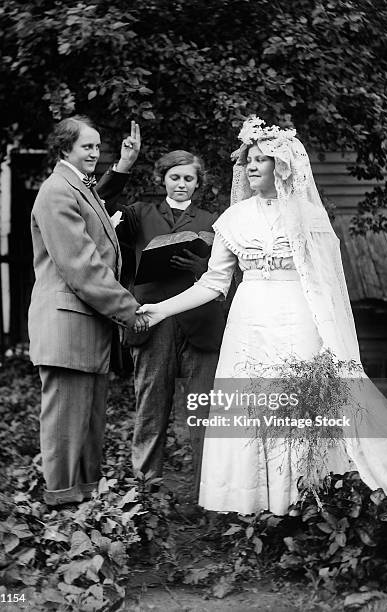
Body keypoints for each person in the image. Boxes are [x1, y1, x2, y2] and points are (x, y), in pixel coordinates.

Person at [136, 116, 387, 516]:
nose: (251, 166)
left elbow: (328, 285)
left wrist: (332, 337)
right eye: (248, 160)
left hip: (299, 317)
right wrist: (159, 310)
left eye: (261, 159)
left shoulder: (309, 219)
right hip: (249, 320)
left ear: (282, 165)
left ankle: (305, 500)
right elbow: (213, 283)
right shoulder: (233, 220)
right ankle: (251, 505)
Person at [28, 116, 148, 506]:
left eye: (98, 146)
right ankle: (61, 512)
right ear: (65, 150)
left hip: (87, 326)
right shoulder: (56, 192)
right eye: (87, 147)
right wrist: (131, 310)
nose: (95, 153)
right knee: (65, 425)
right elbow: (82, 266)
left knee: (88, 424)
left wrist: (123, 167)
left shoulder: (75, 186)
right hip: (67, 326)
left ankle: (85, 507)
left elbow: (98, 208)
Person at [96, 150, 226, 487]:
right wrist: (122, 167)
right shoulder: (140, 213)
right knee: (151, 406)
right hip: (153, 322)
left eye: (188, 178)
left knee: (203, 411)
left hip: (200, 322)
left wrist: (202, 269)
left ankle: (207, 489)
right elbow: (100, 202)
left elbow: (229, 275)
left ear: (198, 183)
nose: (181, 184)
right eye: (175, 177)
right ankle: (145, 488)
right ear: (163, 179)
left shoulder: (214, 221)